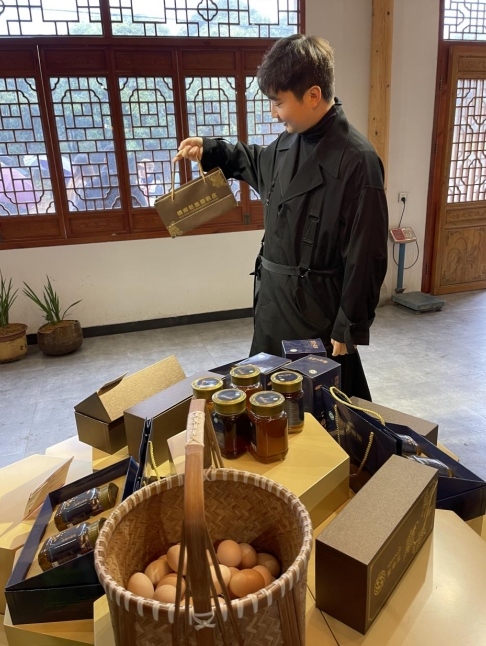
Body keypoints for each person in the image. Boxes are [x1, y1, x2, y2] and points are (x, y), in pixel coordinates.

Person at [174, 34, 388, 399]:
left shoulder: (357, 161)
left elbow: (366, 253)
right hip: (273, 303)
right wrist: (211, 150)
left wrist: (349, 325)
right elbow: (255, 162)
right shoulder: (289, 141)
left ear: (313, 95)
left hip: (315, 311)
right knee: (264, 398)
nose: (274, 112)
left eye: (278, 102)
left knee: (317, 405)